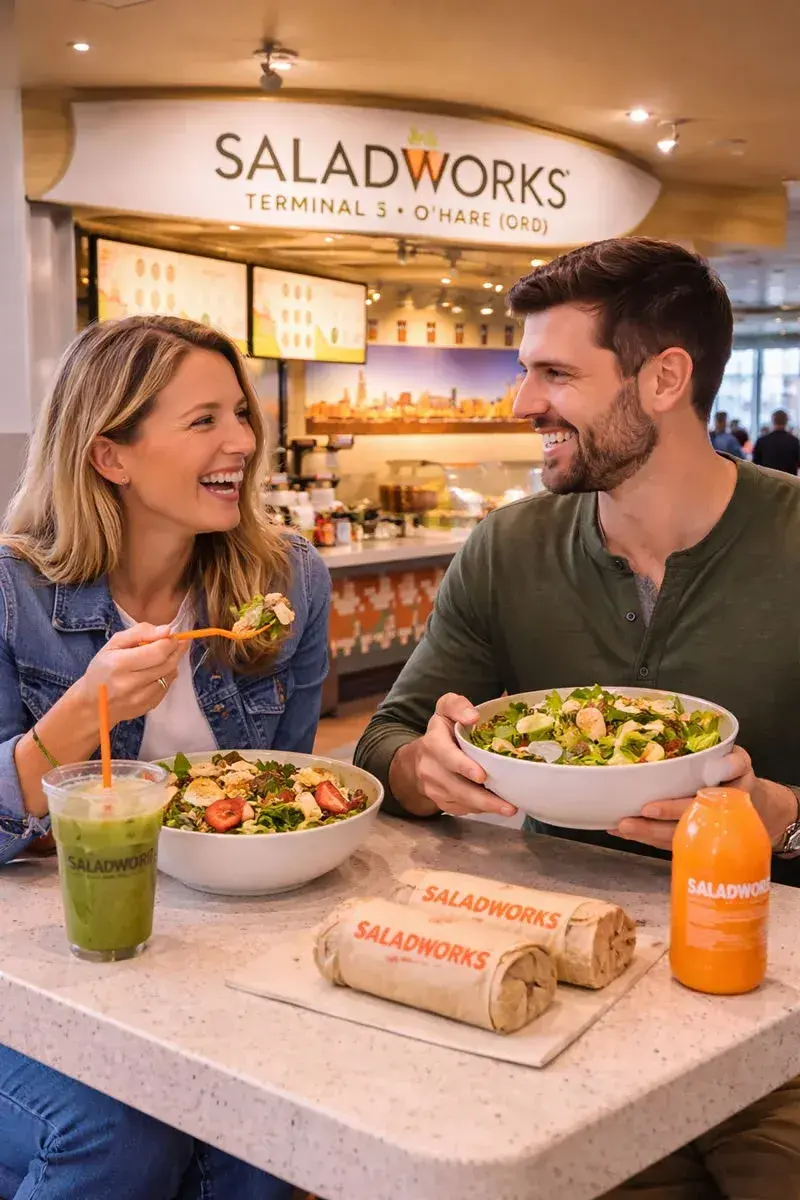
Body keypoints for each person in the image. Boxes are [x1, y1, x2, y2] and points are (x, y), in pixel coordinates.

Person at [356, 238, 800, 1198]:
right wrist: (426, 769)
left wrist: (785, 819)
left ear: (664, 379)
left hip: (775, 1001)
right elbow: (385, 737)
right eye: (527, 372)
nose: (522, 403)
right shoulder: (508, 546)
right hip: (557, 980)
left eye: (555, 374)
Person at [0, 315, 330, 1200]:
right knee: (122, 1133)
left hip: (211, 953)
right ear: (110, 454)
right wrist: (77, 719)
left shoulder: (287, 581)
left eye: (241, 414)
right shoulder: (11, 592)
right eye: (204, 421)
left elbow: (289, 799)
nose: (243, 443)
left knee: (268, 1126)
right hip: (38, 964)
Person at [752, 408, 800, 475]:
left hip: (767, 479)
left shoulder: (761, 441)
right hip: (788, 480)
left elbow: (755, 465)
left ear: (773, 421)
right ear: (786, 421)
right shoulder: (794, 441)